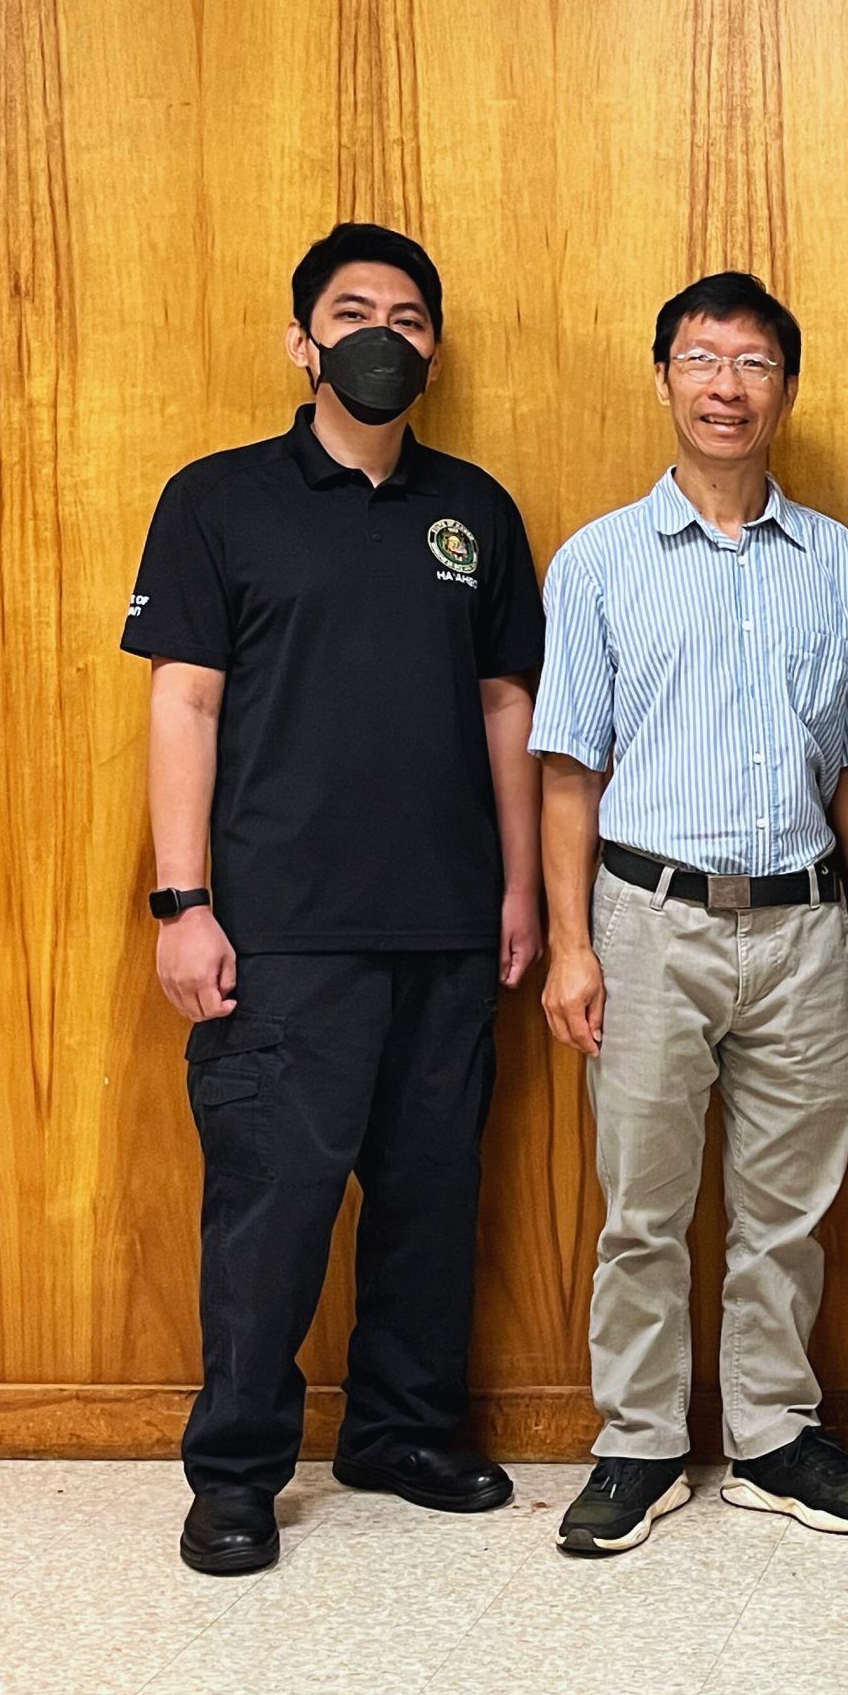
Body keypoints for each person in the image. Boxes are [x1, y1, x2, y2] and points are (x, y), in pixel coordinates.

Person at [125, 222, 544, 1576]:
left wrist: (522, 890)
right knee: (271, 1207)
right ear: (302, 340)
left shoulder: (474, 511)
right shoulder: (218, 500)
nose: (384, 333)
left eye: (411, 317)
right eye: (354, 310)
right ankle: (236, 1471)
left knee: (430, 1199)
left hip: (446, 922)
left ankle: (402, 1432)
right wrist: (182, 898)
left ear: (434, 347)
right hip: (279, 931)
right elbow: (183, 697)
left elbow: (504, 706)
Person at [530, 272, 848, 1555]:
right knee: (641, 1208)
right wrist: (572, 944)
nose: (727, 386)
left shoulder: (839, 564)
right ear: (663, 378)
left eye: (754, 364)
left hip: (802, 925)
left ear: (785, 392)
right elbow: (569, 770)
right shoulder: (596, 563)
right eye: (702, 359)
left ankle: (769, 1437)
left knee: (786, 1209)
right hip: (646, 923)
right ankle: (636, 1443)